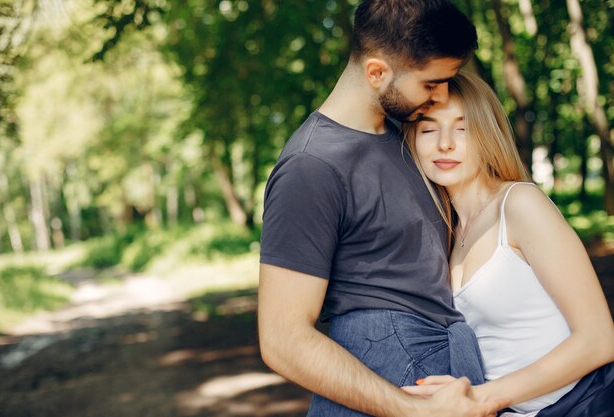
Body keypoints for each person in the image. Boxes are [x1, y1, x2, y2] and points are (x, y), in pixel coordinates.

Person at [258, 1, 509, 416]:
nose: (442, 96)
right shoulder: (311, 167)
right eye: (431, 84)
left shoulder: (410, 136)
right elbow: (282, 339)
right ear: (377, 72)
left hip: (443, 379)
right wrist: (413, 412)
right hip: (384, 394)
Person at [402, 70, 614, 416]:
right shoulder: (447, 234)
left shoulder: (519, 205)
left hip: (583, 404)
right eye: (428, 129)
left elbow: (600, 339)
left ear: (486, 134)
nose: (444, 143)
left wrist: (483, 397)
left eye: (462, 128)